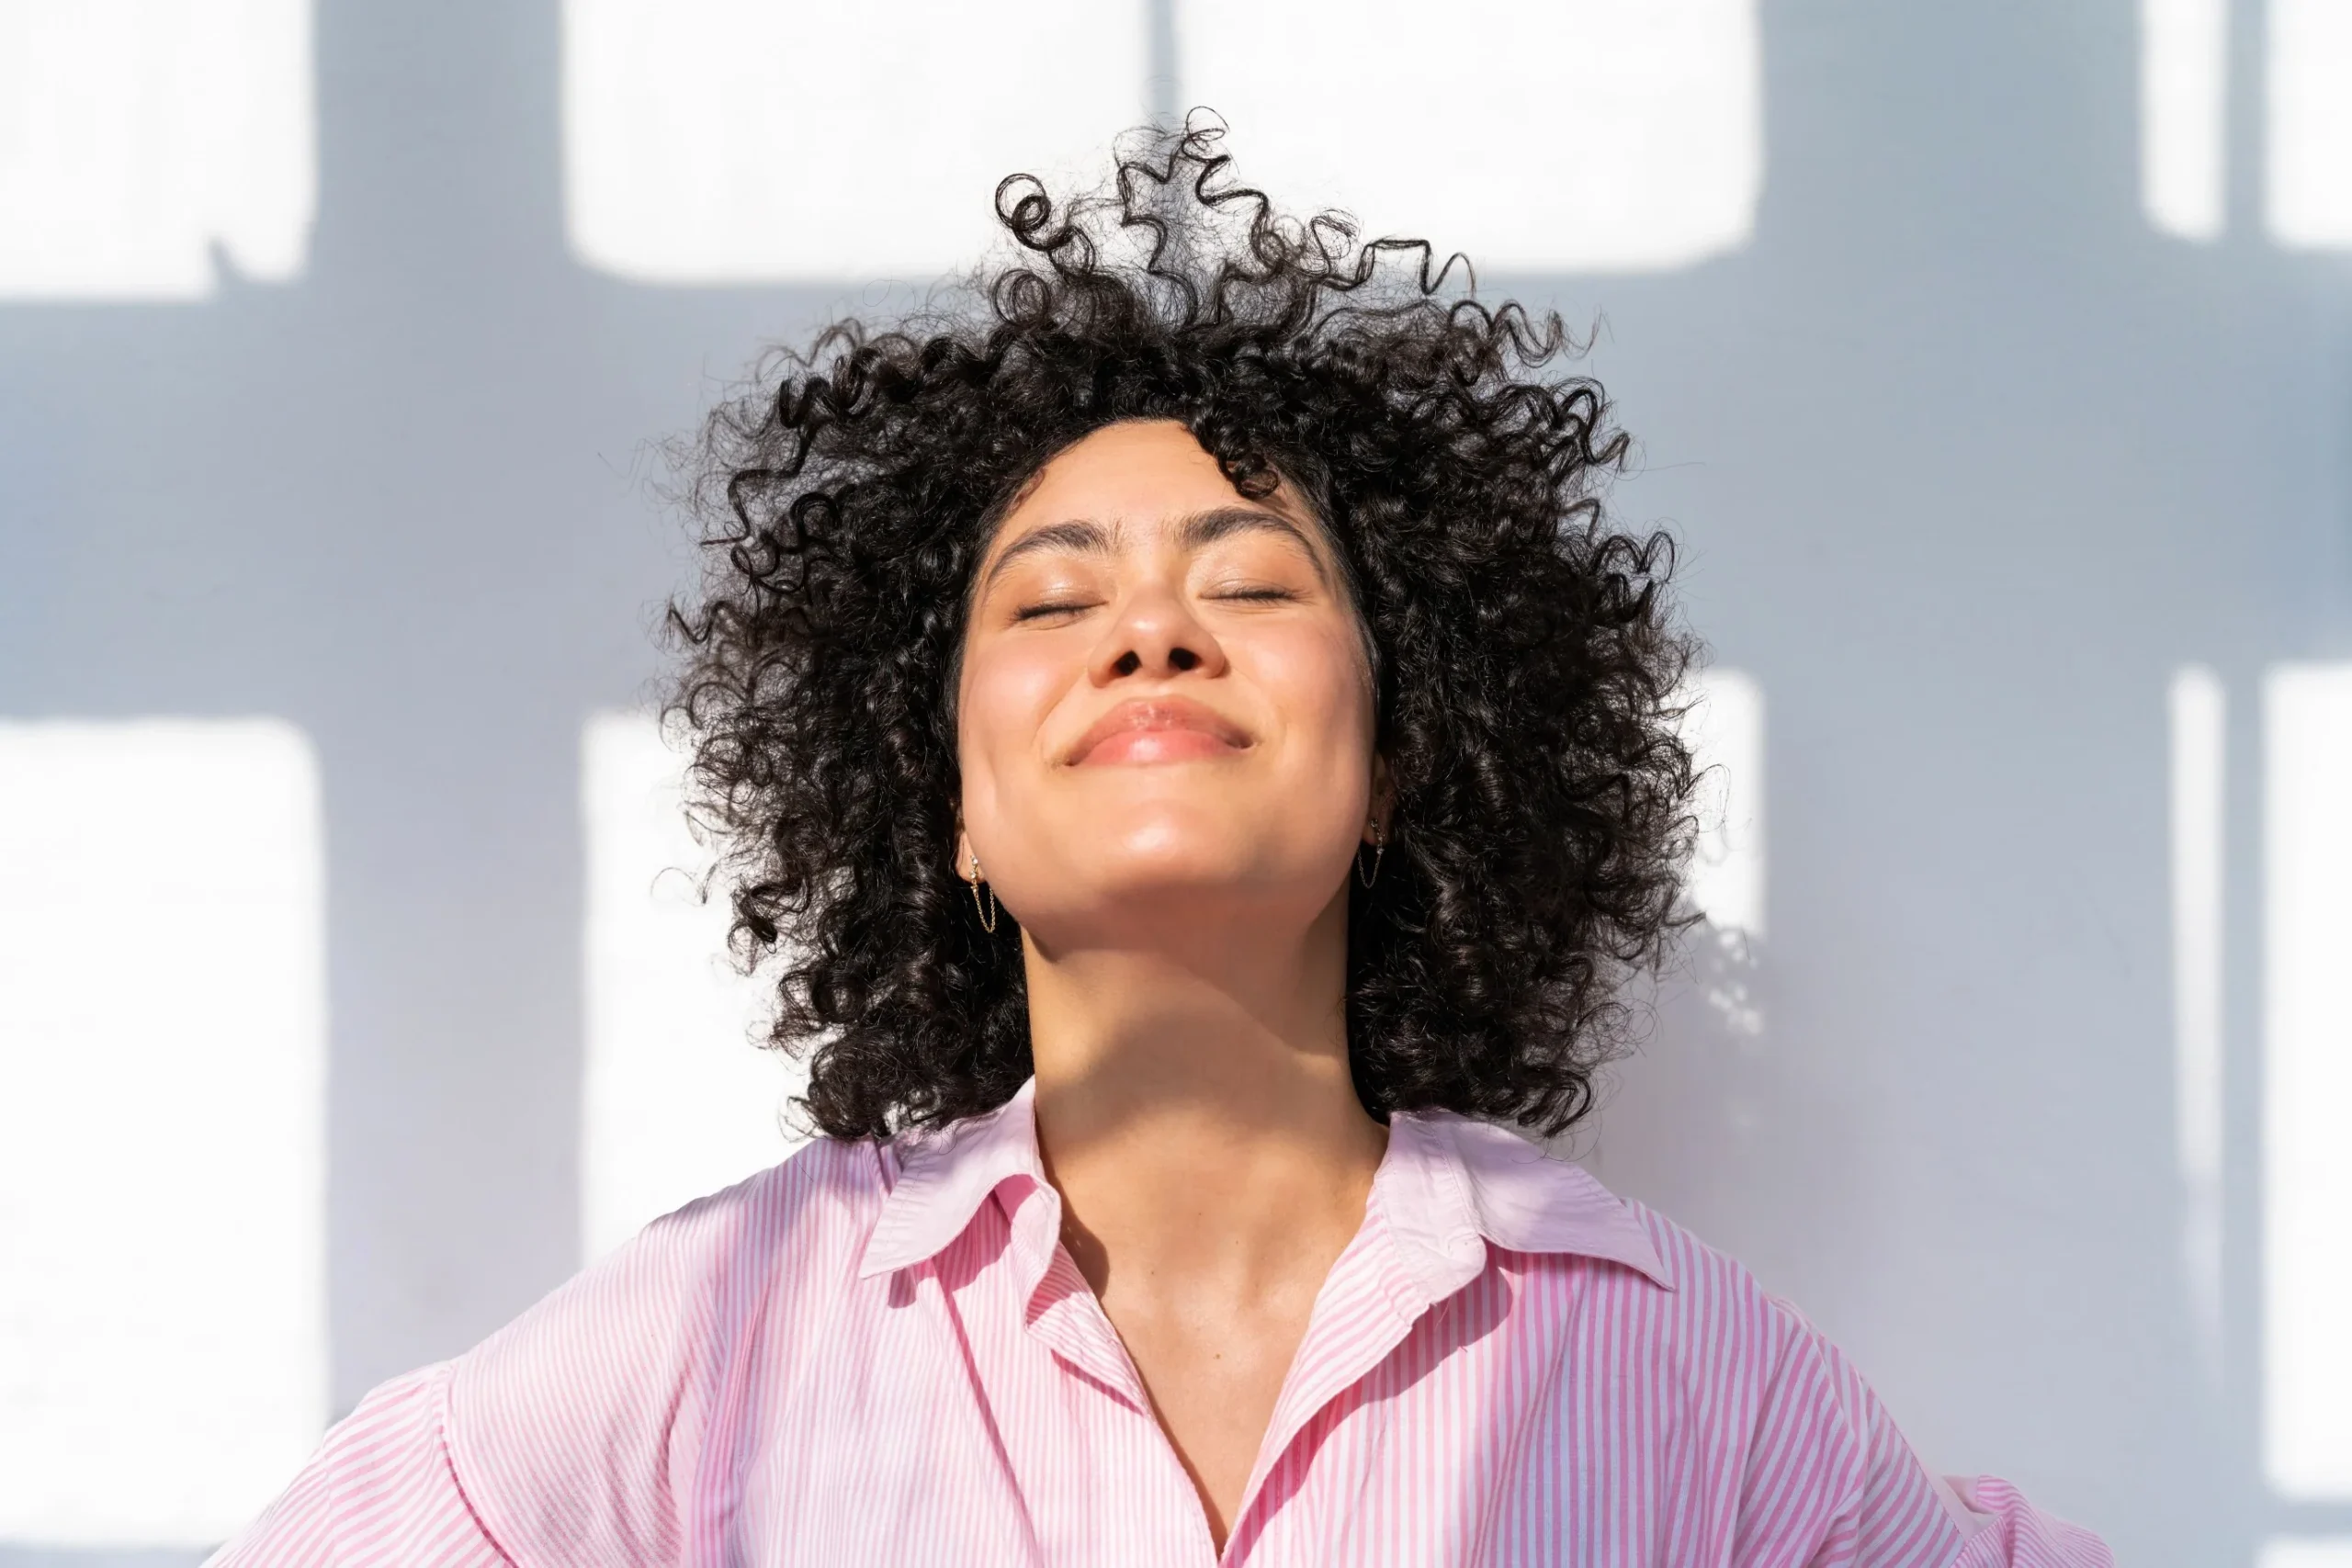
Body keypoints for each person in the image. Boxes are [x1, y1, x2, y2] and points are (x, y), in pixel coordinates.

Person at [210, 122, 2112, 1566]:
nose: (1146, 628)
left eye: (1249, 582)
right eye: (1048, 604)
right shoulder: (711, 1335)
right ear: (943, 803)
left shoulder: (1691, 1374)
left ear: (1391, 761)